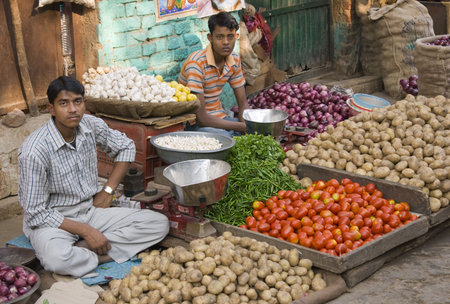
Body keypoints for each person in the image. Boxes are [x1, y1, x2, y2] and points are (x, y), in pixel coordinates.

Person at [18, 76, 169, 277]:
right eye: (64, 103)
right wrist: (87, 231)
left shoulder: (90, 125)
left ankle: (85, 251)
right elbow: (35, 212)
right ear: (51, 109)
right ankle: (98, 253)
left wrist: (108, 190)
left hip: (90, 210)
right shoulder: (34, 150)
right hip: (53, 221)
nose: (72, 109)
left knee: (158, 223)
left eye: (77, 102)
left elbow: (125, 147)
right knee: (57, 259)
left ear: (84, 104)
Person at [179, 11, 248, 137]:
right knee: (226, 139)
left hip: (219, 117)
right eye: (220, 37)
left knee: (257, 132)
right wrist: (241, 127)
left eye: (230, 36)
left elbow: (243, 104)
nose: (226, 42)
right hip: (193, 123)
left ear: (236, 36)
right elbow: (201, 118)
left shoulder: (234, 59)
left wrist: (247, 126)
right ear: (210, 38)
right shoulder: (197, 64)